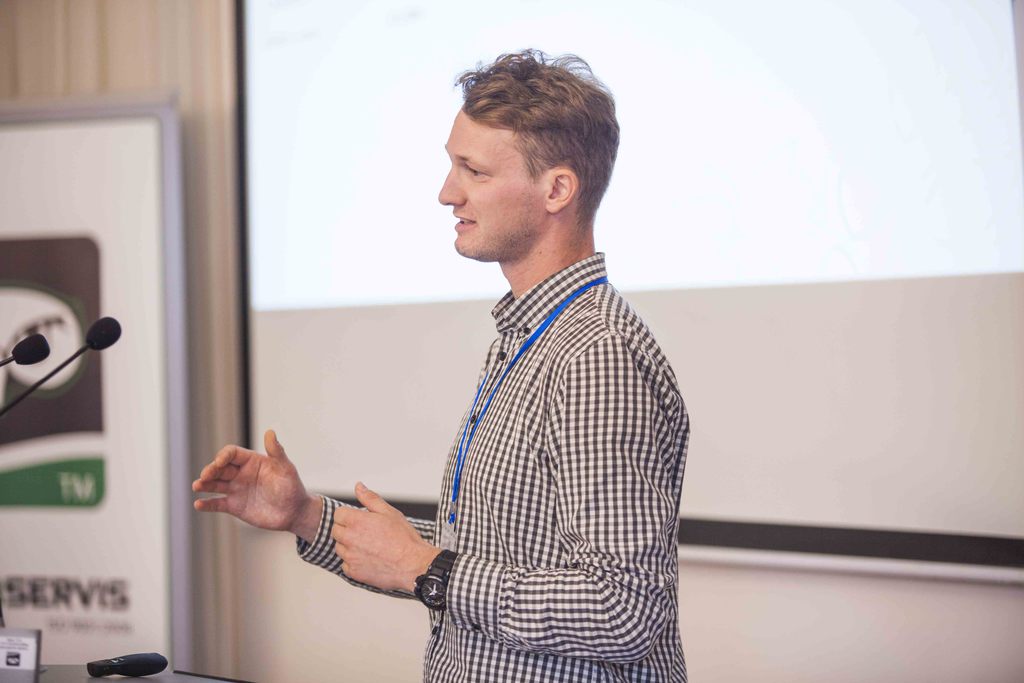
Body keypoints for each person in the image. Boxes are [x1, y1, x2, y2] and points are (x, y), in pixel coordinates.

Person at [194, 49, 689, 682]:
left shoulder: (595, 355)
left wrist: (426, 569)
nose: (446, 193)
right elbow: (488, 554)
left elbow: (624, 610)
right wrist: (306, 517)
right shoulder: (529, 337)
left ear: (557, 190)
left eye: (473, 171)